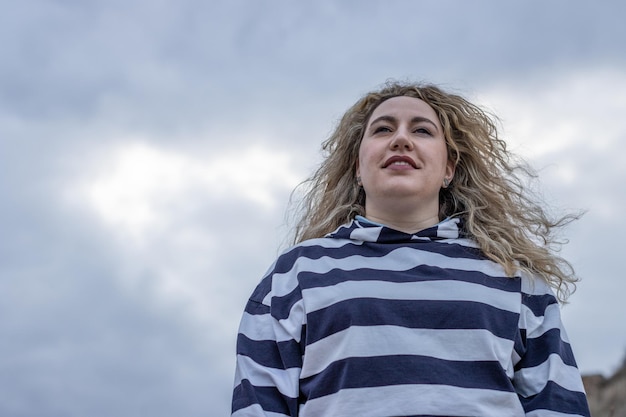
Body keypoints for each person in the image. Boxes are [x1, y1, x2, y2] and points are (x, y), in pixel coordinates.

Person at [231, 81, 591, 417]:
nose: (401, 139)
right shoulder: (296, 275)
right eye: (383, 129)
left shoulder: (514, 279)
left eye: (421, 130)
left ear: (449, 168)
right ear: (358, 166)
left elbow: (558, 405)